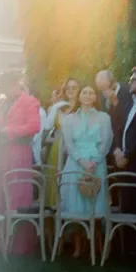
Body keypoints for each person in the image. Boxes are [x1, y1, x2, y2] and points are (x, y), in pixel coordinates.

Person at [60, 85, 113, 255]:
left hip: (96, 163)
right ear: (79, 96)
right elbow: (68, 143)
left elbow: (107, 140)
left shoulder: (104, 117)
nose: (88, 95)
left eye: (91, 93)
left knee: (94, 201)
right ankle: (77, 245)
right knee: (76, 204)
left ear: (95, 97)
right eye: (84, 92)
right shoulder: (69, 119)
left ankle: (95, 245)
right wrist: (81, 161)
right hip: (76, 162)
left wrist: (95, 160)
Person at [0, 71, 41, 255]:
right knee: (2, 193)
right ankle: (2, 242)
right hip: (3, 151)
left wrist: (8, 131)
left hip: (20, 152)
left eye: (8, 87)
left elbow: (34, 126)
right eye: (3, 88)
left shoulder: (29, 101)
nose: (6, 91)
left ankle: (21, 245)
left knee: (18, 194)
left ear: (16, 84)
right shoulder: (3, 103)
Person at [43, 77, 79, 207]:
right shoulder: (60, 108)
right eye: (68, 88)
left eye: (74, 88)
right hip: (57, 148)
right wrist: (56, 106)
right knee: (56, 180)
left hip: (75, 149)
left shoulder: (82, 108)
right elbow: (47, 126)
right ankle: (55, 213)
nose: (71, 90)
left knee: (70, 180)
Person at [113, 66, 136, 214]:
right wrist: (118, 150)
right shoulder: (129, 102)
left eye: (134, 79)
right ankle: (124, 238)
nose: (130, 82)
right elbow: (119, 128)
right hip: (123, 164)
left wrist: (127, 154)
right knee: (124, 209)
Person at [96, 68, 133, 148]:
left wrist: (114, 101)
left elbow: (128, 117)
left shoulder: (128, 91)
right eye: (100, 88)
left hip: (124, 140)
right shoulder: (101, 94)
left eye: (103, 87)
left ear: (111, 82)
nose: (102, 91)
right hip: (108, 140)